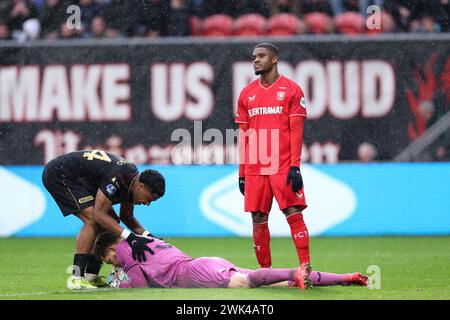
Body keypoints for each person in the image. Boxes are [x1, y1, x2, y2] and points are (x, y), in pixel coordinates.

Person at [235, 43, 311, 289]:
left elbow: (296, 131)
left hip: (282, 165)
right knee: (258, 218)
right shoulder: (247, 94)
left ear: (274, 59)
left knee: (293, 214)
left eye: (261, 56)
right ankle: (265, 274)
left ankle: (305, 268)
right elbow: (244, 136)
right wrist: (242, 172)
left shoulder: (291, 90)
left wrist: (295, 167)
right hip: (256, 167)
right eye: (254, 57)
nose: (256, 60)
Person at [42, 150, 165, 290]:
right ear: (140, 186)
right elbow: (98, 215)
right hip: (60, 174)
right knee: (93, 220)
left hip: (82, 181)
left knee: (111, 221)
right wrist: (131, 237)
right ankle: (76, 278)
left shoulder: (132, 181)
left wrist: (150, 238)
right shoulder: (119, 176)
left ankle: (91, 276)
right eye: (149, 198)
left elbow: (127, 217)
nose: (147, 203)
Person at [94, 232, 368, 289]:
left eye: (107, 259)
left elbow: (139, 285)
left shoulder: (124, 247)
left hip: (193, 274)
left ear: (109, 247)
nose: (112, 263)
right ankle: (346, 278)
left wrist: (117, 287)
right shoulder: (144, 239)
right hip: (202, 264)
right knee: (280, 285)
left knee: (247, 283)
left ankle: (295, 271)